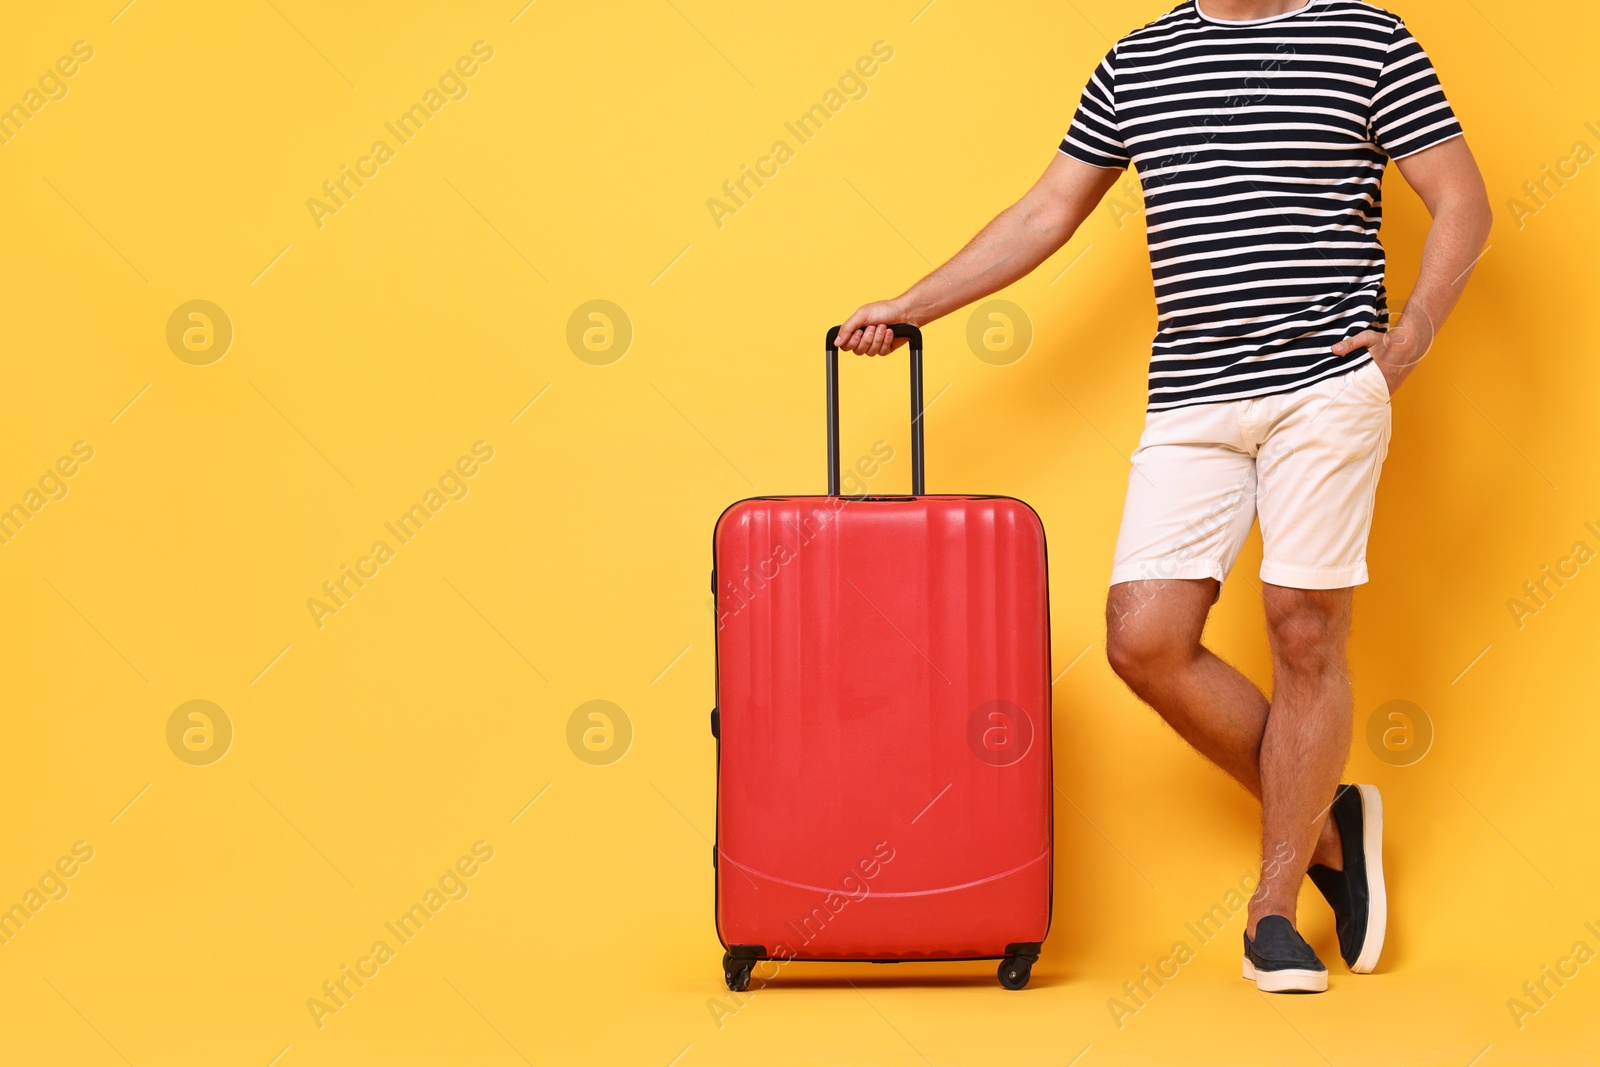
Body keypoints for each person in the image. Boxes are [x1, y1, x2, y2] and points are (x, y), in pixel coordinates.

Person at [835, 0, 1491, 993]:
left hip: (1325, 381)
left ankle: (1271, 909)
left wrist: (1411, 337)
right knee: (1144, 637)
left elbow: (1461, 201)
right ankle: (1328, 828)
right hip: (1191, 395)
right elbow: (1044, 211)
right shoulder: (1138, 60)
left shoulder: (1368, 38)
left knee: (1302, 626)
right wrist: (906, 302)